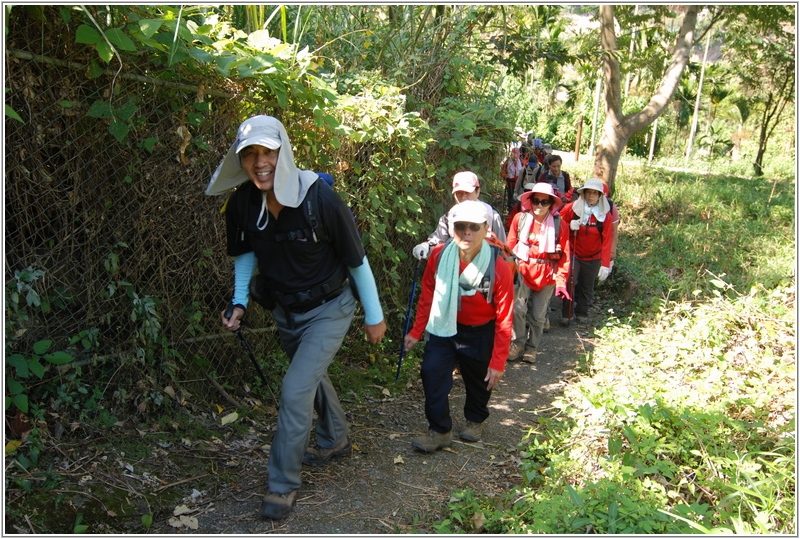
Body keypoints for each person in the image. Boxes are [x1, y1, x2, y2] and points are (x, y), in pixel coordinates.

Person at [207, 115, 387, 520]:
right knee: (309, 378)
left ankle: (281, 485)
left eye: (267, 151)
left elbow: (356, 262)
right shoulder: (241, 203)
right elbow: (245, 256)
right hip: (284, 311)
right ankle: (335, 438)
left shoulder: (319, 198)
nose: (259, 162)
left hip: (329, 309)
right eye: (249, 154)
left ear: (282, 152)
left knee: (293, 391)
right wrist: (239, 303)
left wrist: (373, 316)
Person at [403, 200, 514, 451]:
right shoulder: (440, 256)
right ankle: (440, 430)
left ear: (486, 229)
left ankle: (475, 420)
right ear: (452, 228)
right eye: (461, 226)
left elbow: (505, 316)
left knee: (479, 380)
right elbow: (428, 295)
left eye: (474, 227)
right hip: (444, 327)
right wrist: (416, 331)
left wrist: (498, 362)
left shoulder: (498, 266)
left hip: (481, 332)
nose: (467, 232)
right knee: (431, 372)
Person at [506, 183, 571, 362]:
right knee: (518, 309)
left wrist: (561, 280)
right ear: (530, 201)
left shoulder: (560, 225)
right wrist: (506, 272)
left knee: (538, 315)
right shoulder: (520, 219)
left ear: (551, 204)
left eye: (544, 202)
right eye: (536, 201)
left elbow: (565, 255)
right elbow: (509, 247)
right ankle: (517, 343)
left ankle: (532, 348)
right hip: (523, 270)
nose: (539, 206)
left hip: (547, 274)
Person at [412, 171, 506, 260]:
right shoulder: (448, 217)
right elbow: (438, 243)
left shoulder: (492, 216)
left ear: (477, 192)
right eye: (459, 193)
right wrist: (426, 247)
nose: (463, 197)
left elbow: (502, 249)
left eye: (467, 192)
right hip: (454, 268)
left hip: (486, 270)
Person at [558, 178, 613, 325]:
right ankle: (567, 314)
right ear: (584, 193)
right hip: (574, 253)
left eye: (595, 193)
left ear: (600, 196)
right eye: (589, 193)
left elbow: (607, 240)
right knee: (570, 282)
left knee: (587, 286)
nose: (591, 196)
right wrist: (568, 225)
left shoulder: (605, 216)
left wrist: (606, 264)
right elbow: (557, 220)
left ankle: (582, 312)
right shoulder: (572, 208)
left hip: (594, 257)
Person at [501, 148, 523, 213]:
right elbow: (502, 172)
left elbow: (524, 173)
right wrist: (505, 176)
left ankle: (517, 213)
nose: (515, 157)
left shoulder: (522, 162)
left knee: (519, 200)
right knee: (511, 200)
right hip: (510, 184)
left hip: (519, 185)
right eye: (513, 154)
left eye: (516, 154)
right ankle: (510, 213)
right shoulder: (507, 162)